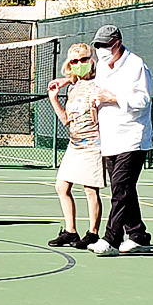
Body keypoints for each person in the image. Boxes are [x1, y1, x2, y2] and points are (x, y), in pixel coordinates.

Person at [87, 24, 153, 256]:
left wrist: (113, 97)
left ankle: (112, 239)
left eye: (105, 45)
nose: (101, 50)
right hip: (110, 137)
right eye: (98, 46)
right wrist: (95, 101)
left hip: (133, 137)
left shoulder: (136, 65)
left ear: (117, 43)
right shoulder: (103, 66)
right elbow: (98, 92)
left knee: (121, 189)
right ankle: (138, 235)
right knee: (123, 188)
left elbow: (143, 100)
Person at [46, 42, 105, 249]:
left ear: (91, 60)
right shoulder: (73, 87)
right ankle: (70, 232)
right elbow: (65, 119)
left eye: (83, 60)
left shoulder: (101, 83)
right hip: (75, 145)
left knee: (90, 189)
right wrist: (54, 99)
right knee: (62, 186)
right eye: (74, 61)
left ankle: (93, 234)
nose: (79, 63)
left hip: (93, 145)